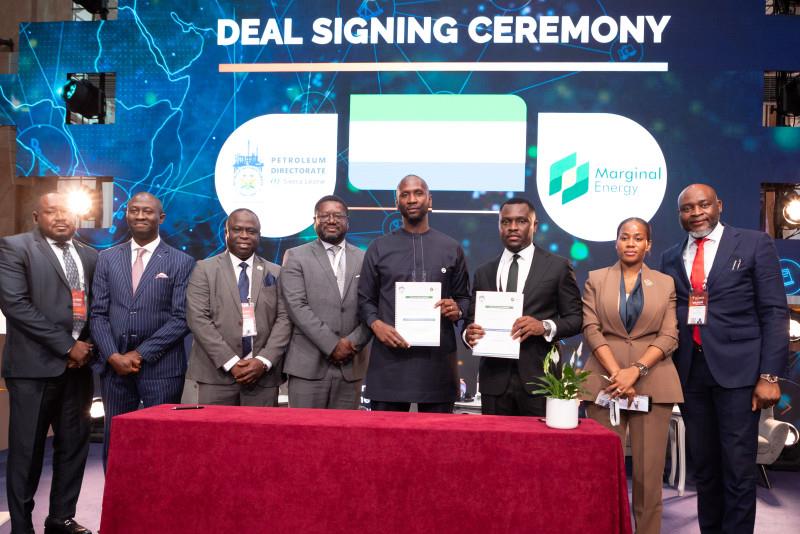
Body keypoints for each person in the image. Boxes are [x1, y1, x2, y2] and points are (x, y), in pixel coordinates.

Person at [660, 184, 788, 534]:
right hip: (690, 374)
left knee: (737, 469)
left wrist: (770, 375)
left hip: (740, 374)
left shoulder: (754, 244)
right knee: (705, 468)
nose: (696, 213)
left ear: (719, 205)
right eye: (687, 208)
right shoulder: (671, 256)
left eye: (703, 205)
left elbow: (774, 311)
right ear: (679, 214)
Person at [0, 193, 97, 534]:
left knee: (73, 447)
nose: (60, 217)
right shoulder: (14, 248)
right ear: (36, 217)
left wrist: (86, 348)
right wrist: (68, 347)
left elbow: (96, 308)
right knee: (27, 451)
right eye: (51, 212)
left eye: (66, 211)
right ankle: (22, 526)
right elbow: (16, 305)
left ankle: (61, 518)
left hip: (78, 371)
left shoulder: (90, 255)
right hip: (33, 370)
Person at [581, 217, 682, 534]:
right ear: (616, 242)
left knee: (648, 476)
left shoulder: (665, 283)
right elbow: (591, 329)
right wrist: (617, 374)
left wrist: (635, 371)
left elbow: (670, 335)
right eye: (625, 237)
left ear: (648, 245)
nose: (630, 243)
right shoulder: (596, 279)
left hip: (653, 382)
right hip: (605, 383)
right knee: (601, 472)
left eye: (638, 238)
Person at [90, 192, 194, 466]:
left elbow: (181, 318)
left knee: (162, 444)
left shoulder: (181, 262)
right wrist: (113, 356)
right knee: (116, 443)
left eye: (147, 211)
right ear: (126, 214)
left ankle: (162, 495)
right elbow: (98, 314)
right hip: (115, 370)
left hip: (162, 369)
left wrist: (139, 354)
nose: (140, 216)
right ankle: (116, 495)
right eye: (134, 210)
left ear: (161, 217)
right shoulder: (107, 258)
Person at [358, 175, 469, 413]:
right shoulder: (378, 247)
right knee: (385, 435)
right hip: (389, 364)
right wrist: (376, 324)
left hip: (437, 365)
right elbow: (365, 299)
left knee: (438, 435)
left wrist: (458, 309)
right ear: (396, 202)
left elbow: (464, 298)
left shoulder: (451, 248)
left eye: (418, 193)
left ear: (429, 200)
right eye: (404, 194)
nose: (411, 199)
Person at [464, 197, 582, 416]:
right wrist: (468, 334)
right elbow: (470, 321)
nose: (513, 227)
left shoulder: (557, 267)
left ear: (534, 226)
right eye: (506, 221)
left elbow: (576, 319)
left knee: (538, 440)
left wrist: (544, 326)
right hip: (494, 382)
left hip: (540, 380)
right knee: (494, 439)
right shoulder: (484, 272)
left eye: (521, 221)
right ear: (499, 226)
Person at [186, 209, 291, 406]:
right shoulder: (204, 269)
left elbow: (285, 319)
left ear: (259, 235)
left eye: (251, 231)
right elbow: (198, 319)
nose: (244, 235)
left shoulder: (276, 272)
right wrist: (231, 362)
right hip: (216, 375)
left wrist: (264, 361)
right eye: (237, 229)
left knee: (260, 427)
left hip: (263, 376)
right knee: (215, 427)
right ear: (226, 233)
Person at [280, 195, 372, 409]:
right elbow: (296, 306)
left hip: (351, 365)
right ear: (315, 221)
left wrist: (352, 343)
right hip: (307, 366)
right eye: (324, 216)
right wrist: (333, 345)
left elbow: (372, 307)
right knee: (303, 430)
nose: (331, 220)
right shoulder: (295, 256)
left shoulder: (365, 258)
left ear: (347, 221)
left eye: (338, 216)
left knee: (345, 430)